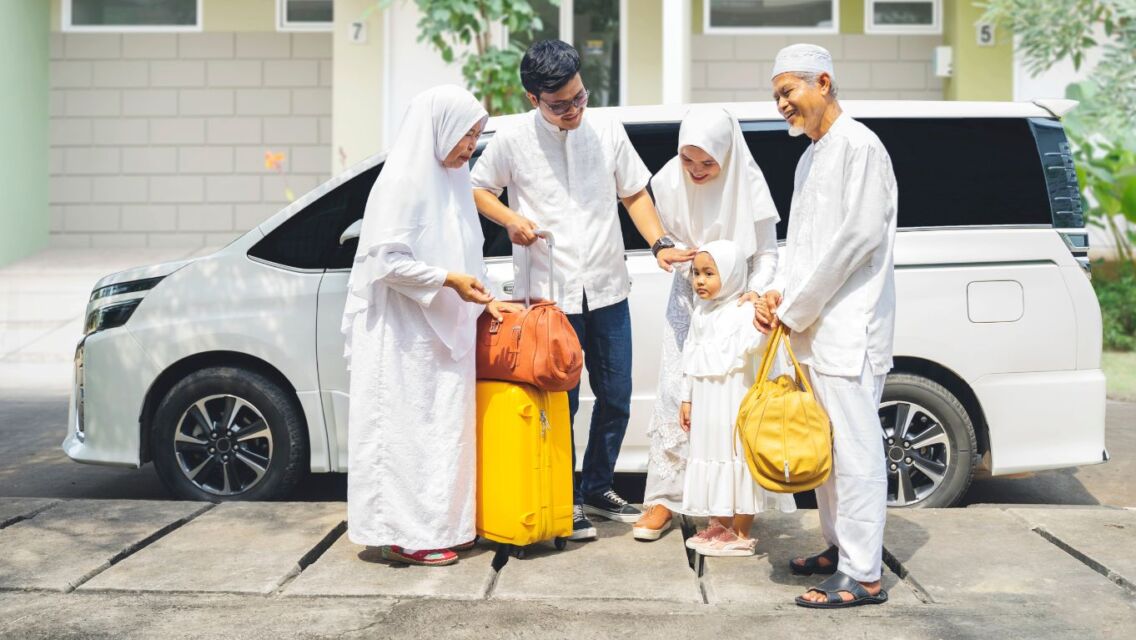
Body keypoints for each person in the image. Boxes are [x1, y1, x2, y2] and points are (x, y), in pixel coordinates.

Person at [471, 39, 695, 541]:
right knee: (559, 404)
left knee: (616, 396)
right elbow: (478, 188)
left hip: (608, 286)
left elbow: (633, 192)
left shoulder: (606, 129)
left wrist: (658, 241)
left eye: (579, 97)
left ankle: (597, 485)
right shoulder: (511, 139)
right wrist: (512, 220)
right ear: (534, 100)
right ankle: (561, 498)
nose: (573, 110)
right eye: (560, 104)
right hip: (550, 297)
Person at [341, 85, 519, 567]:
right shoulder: (402, 182)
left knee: (442, 433)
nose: (470, 147)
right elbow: (386, 262)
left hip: (443, 331)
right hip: (401, 335)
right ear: (438, 130)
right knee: (404, 432)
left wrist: (485, 298)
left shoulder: (455, 184)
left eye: (477, 136)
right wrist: (448, 281)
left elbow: (467, 254)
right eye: (466, 135)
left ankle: (442, 527)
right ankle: (401, 534)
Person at [755, 44, 898, 608]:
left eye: (788, 92)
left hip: (850, 327)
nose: (782, 105)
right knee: (830, 451)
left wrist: (794, 309)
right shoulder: (811, 156)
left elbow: (856, 241)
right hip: (813, 327)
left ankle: (864, 575)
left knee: (858, 453)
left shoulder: (861, 147)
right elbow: (802, 245)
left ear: (824, 82)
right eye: (777, 97)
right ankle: (840, 550)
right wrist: (777, 293)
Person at [634, 106, 781, 541]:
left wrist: (755, 292)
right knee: (675, 392)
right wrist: (675, 255)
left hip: (737, 307)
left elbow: (767, 253)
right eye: (688, 160)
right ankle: (664, 498)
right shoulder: (667, 182)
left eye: (708, 163)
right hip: (689, 295)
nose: (696, 171)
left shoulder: (749, 184)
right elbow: (664, 241)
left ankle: (728, 507)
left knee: (729, 405)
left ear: (728, 156)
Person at [676, 240, 797, 557]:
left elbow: (760, 343)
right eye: (696, 273)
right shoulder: (701, 313)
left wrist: (765, 316)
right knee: (713, 456)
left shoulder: (743, 311)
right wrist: (686, 399)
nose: (700, 280)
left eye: (709, 273)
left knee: (736, 459)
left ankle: (741, 530)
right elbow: (690, 359)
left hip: (734, 405)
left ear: (729, 275)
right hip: (708, 407)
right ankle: (720, 522)